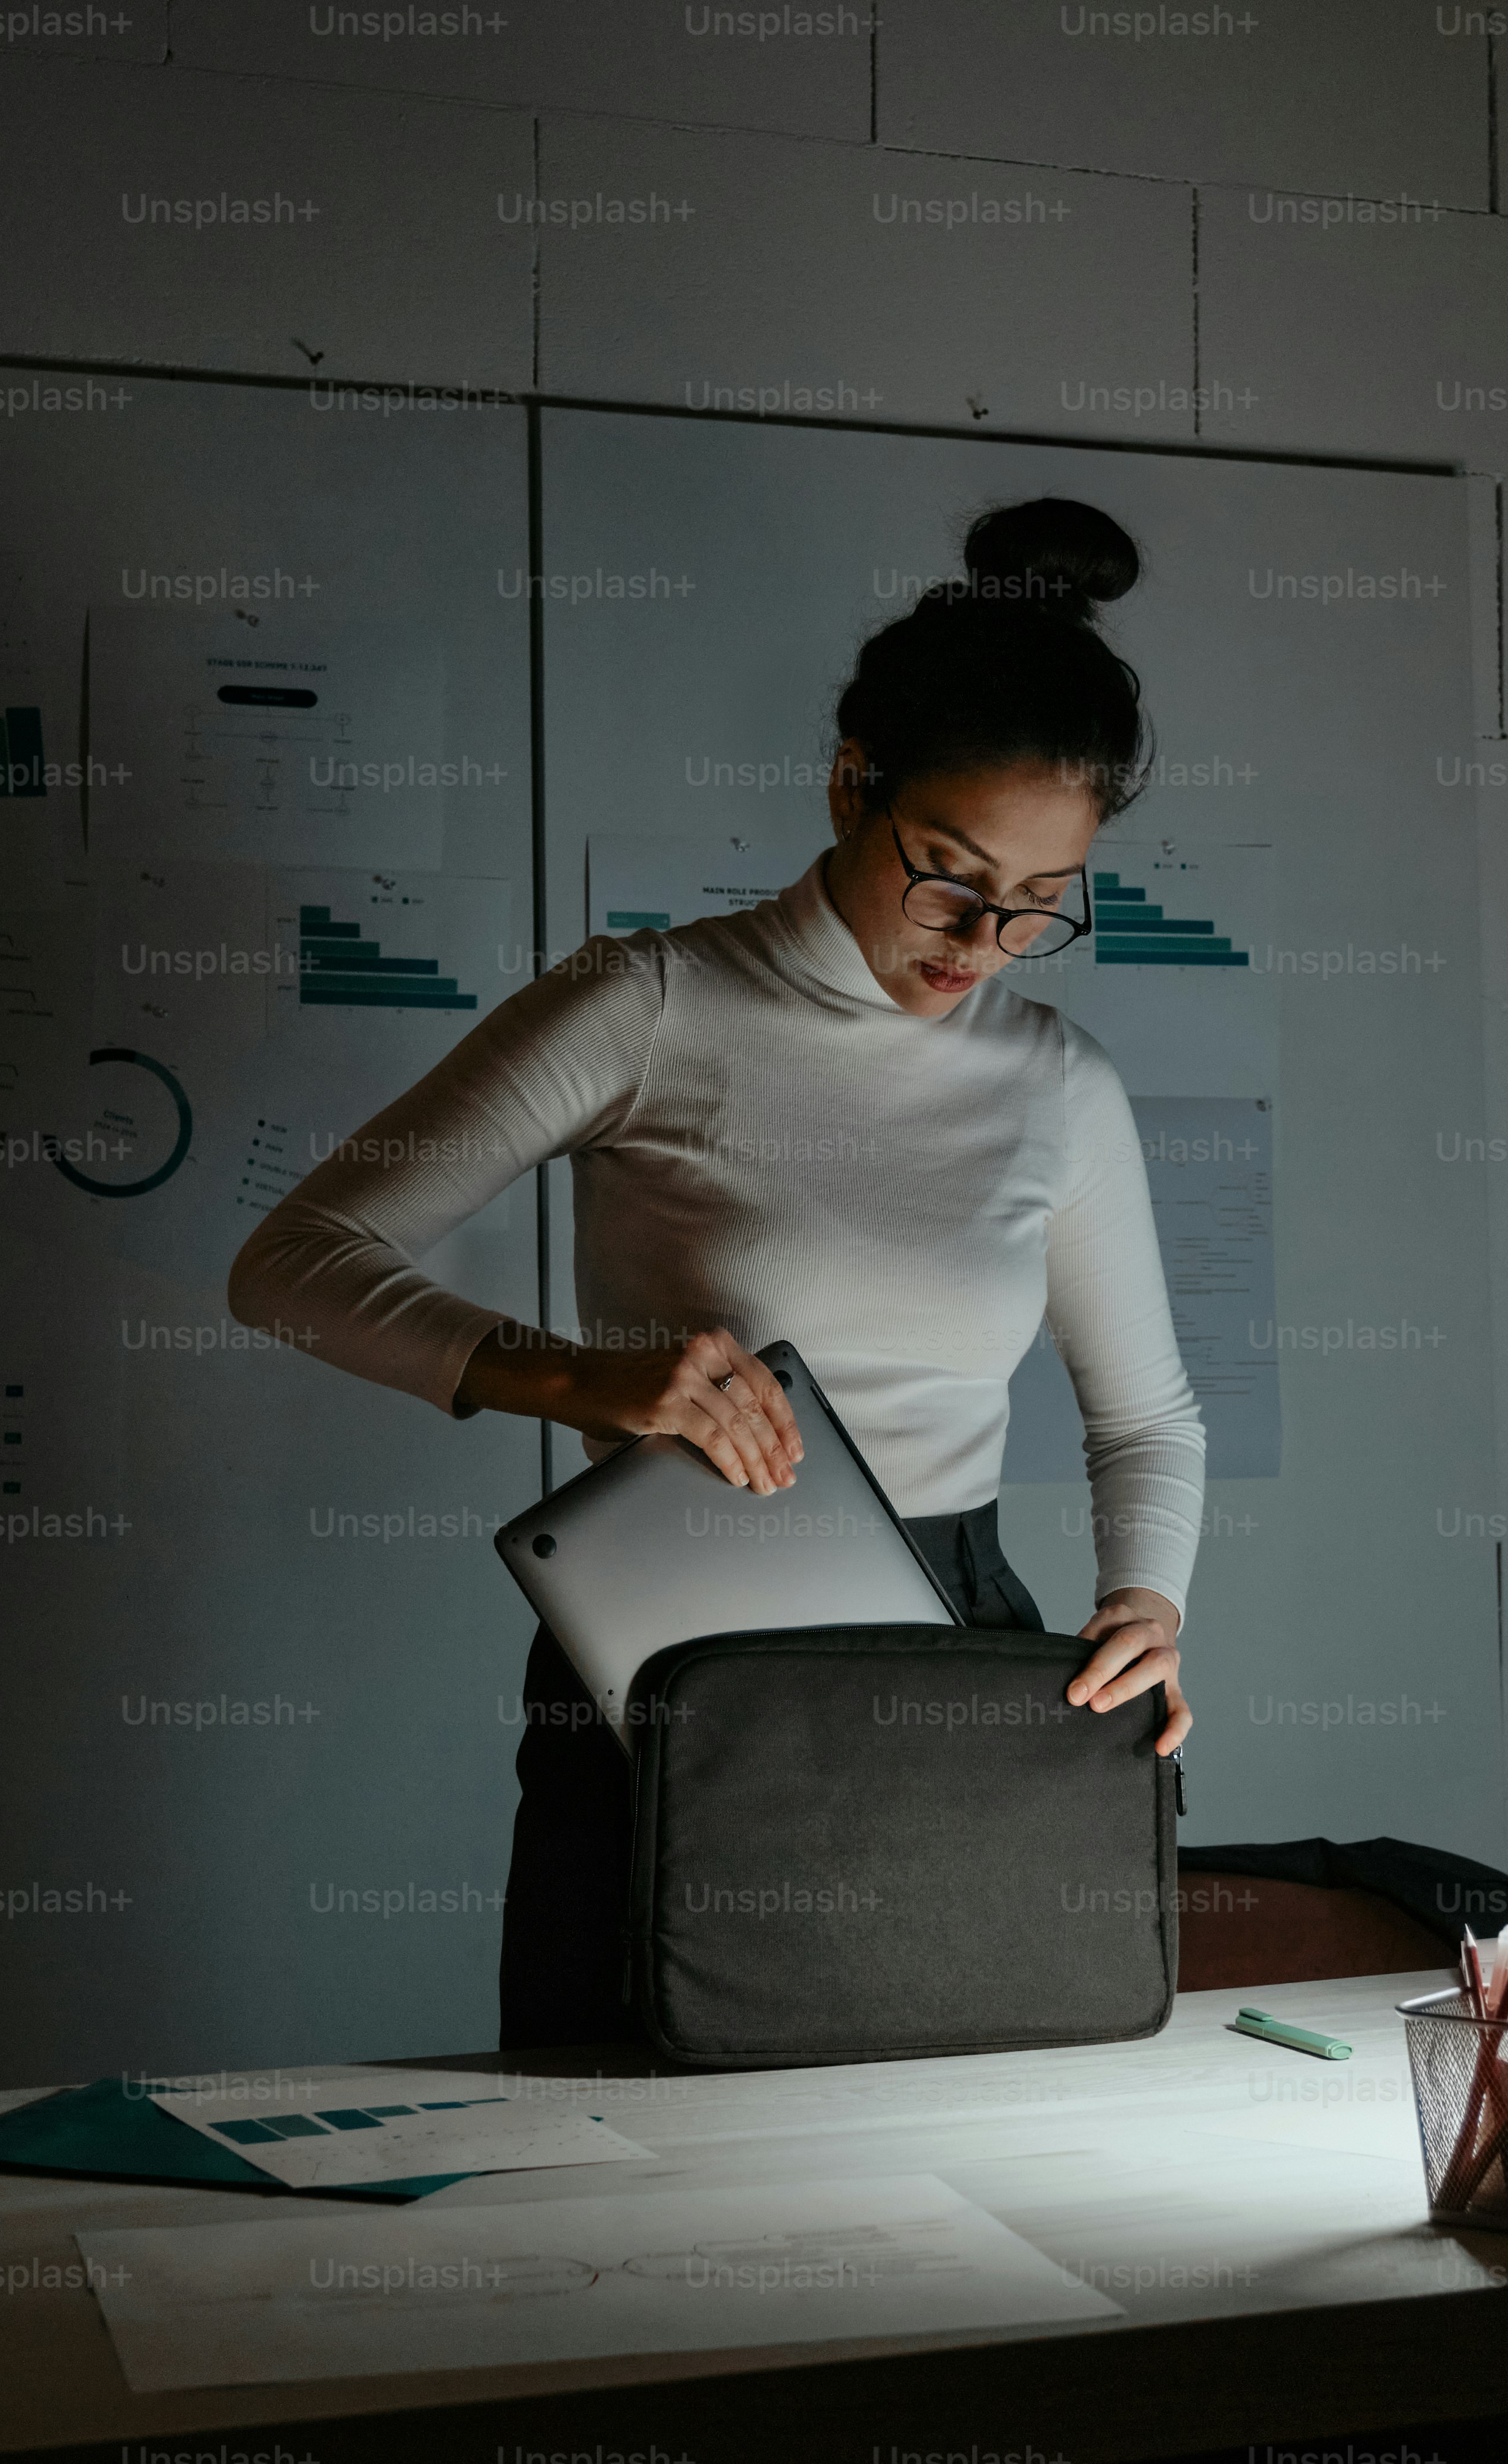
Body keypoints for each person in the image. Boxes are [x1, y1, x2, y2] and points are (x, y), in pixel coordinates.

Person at [228, 495, 1208, 2047]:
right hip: (675, 1637)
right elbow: (291, 1264)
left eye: (1039, 905)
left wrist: (1146, 1600)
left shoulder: (1060, 1081)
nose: (981, 940)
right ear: (850, 783)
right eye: (949, 875)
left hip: (957, 1643)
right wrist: (580, 1380)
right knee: (620, 2099)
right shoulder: (650, 1004)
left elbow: (1146, 1420)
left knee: (954, 2105)